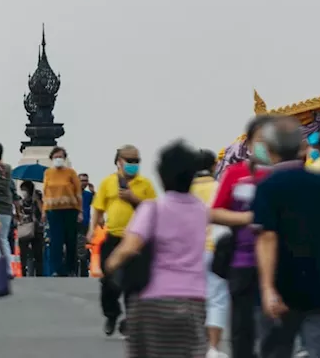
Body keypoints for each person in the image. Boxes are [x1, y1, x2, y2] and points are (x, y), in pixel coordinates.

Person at [103, 140, 208, 358]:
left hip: (153, 301)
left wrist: (111, 264)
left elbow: (129, 248)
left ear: (161, 175)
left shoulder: (154, 209)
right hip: (193, 301)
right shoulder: (201, 210)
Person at [252, 116, 320, 358]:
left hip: (282, 284)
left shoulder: (267, 187)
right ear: (303, 148)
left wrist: (267, 288)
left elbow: (267, 238)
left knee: (276, 350)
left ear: (270, 151)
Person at [211, 115, 275, 358]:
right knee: (242, 333)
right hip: (242, 264)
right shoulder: (235, 174)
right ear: (248, 144)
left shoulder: (283, 176)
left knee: (274, 334)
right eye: (261, 140)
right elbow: (214, 212)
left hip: (279, 266)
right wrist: (248, 218)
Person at [89, 144, 157, 337]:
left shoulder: (145, 184)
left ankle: (130, 321)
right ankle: (112, 314)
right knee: (109, 280)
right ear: (119, 162)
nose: (134, 165)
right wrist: (91, 230)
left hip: (137, 240)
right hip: (113, 238)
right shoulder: (108, 183)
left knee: (134, 284)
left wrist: (133, 198)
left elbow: (154, 210)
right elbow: (98, 208)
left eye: (137, 161)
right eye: (130, 161)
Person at [191, 149, 229, 358]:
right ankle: (213, 348)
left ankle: (196, 345)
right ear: (214, 166)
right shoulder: (219, 187)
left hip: (189, 253)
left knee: (194, 300)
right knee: (216, 299)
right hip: (214, 249)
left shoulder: (184, 190)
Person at [41, 146, 81, 277]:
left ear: (65, 158)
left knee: (70, 240)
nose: (58, 159)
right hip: (53, 211)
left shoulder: (71, 172)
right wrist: (43, 211)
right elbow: (45, 192)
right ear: (51, 158)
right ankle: (56, 269)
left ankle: (71, 269)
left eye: (61, 157)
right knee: (55, 241)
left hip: (70, 209)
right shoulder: (48, 173)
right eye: (56, 157)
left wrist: (80, 211)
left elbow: (78, 192)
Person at [16, 180, 44, 277]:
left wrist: (37, 201)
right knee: (23, 253)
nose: (23, 192)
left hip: (37, 230)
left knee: (38, 253)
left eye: (24, 190)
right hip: (25, 229)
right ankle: (23, 272)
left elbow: (43, 213)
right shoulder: (20, 201)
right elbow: (17, 214)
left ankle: (39, 274)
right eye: (22, 189)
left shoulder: (38, 199)